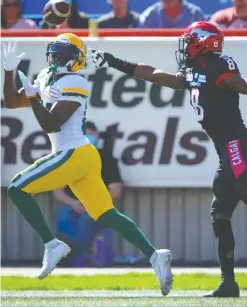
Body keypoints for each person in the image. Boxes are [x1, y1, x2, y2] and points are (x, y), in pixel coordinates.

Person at [89, 21, 247, 297]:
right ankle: (228, 284)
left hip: (236, 143)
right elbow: (156, 74)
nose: (184, 46)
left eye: (189, 40)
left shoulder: (220, 68)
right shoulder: (194, 71)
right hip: (225, 148)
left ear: (202, 43)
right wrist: (113, 62)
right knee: (220, 216)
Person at [1, 34, 172, 297]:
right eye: (54, 53)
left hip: (74, 152)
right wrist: (9, 71)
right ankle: (154, 254)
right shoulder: (47, 75)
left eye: (64, 54)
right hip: (81, 156)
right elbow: (12, 102)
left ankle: (52, 244)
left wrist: (35, 97)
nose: (57, 59)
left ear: (77, 60)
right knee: (106, 214)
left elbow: (52, 124)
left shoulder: (75, 81)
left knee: (16, 188)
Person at [53, 121, 123, 266]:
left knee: (86, 219)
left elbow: (116, 191)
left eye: (90, 134)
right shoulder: (67, 159)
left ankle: (68, 256)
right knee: (63, 213)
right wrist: (73, 203)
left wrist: (91, 203)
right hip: (74, 206)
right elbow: (57, 191)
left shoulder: (107, 160)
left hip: (97, 207)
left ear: (97, 135)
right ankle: (68, 254)